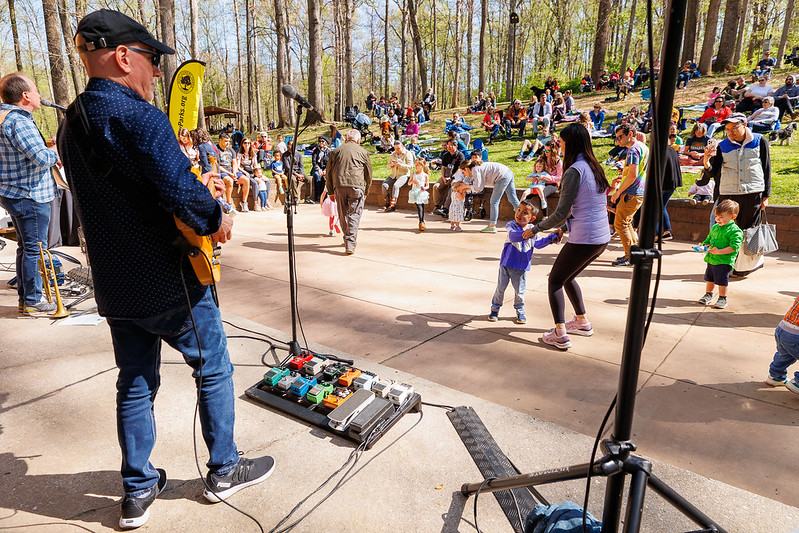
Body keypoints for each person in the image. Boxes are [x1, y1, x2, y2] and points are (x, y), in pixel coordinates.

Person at [57, 9, 274, 529]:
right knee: (214, 365)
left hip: (112, 282)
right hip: (168, 279)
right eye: (151, 61)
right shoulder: (139, 117)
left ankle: (136, 490)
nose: (156, 73)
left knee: (134, 382)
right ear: (123, 56)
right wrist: (215, 216)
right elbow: (181, 193)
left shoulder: (70, 122)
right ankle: (224, 469)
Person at [523, 123, 611, 351]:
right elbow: (584, 205)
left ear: (569, 143)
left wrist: (535, 228)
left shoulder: (574, 171)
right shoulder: (593, 166)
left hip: (586, 239)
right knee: (568, 276)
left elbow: (561, 212)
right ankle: (581, 322)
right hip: (600, 237)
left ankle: (560, 333)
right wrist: (564, 227)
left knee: (555, 280)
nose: (559, 145)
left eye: (562, 141)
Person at [0, 72, 60, 316]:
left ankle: (27, 299)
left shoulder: (4, 117)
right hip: (30, 195)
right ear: (25, 96)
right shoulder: (20, 121)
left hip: (15, 193)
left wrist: (45, 143)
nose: (39, 95)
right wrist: (57, 149)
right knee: (35, 248)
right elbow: (42, 158)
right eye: (35, 91)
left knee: (26, 247)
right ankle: (34, 300)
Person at [700, 112, 771, 275]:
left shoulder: (760, 141)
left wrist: (766, 195)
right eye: (727, 129)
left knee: (749, 232)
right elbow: (712, 172)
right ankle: (722, 265)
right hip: (729, 193)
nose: (730, 132)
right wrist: (706, 160)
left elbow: (766, 168)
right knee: (726, 230)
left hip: (753, 192)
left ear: (745, 125)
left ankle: (744, 268)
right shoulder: (722, 145)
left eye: (734, 128)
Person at [487, 200, 558, 324]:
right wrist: (531, 234)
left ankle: (520, 311)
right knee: (500, 288)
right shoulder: (511, 225)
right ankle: (495, 309)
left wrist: (551, 238)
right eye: (518, 210)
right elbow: (514, 236)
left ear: (532, 218)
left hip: (521, 267)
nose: (519, 213)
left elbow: (539, 244)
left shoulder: (533, 230)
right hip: (506, 264)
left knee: (520, 291)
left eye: (525, 212)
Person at [325, 129, 372, 255]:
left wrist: (330, 191)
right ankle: (350, 243)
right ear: (358, 140)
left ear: (346, 139)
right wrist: (366, 190)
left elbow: (328, 173)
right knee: (354, 215)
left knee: (343, 214)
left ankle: (347, 240)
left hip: (339, 186)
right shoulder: (363, 152)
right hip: (357, 187)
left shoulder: (335, 151)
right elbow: (369, 174)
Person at [611, 123, 649, 267]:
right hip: (638, 191)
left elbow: (632, 175)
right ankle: (633, 253)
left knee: (620, 224)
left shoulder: (633, 150)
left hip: (632, 192)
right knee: (626, 223)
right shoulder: (643, 147)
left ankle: (630, 257)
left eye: (621, 137)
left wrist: (618, 192)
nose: (618, 140)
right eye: (617, 137)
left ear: (630, 134)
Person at [696, 199, 743, 309]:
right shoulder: (715, 227)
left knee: (722, 280)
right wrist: (705, 245)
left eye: (721, 217)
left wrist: (719, 252)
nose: (718, 219)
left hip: (724, 261)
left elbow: (734, 247)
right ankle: (708, 294)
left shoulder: (735, 231)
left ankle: (722, 298)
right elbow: (709, 239)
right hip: (711, 258)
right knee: (710, 278)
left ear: (732, 217)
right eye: (717, 216)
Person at [470, 160, 520, 233]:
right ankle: (523, 221)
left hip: (502, 176)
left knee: (494, 201)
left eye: (463, 172)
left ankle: (492, 225)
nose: (464, 174)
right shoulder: (477, 167)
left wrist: (467, 187)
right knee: (512, 198)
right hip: (508, 172)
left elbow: (479, 188)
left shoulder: (474, 169)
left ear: (466, 169)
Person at [764, 296, 799, 395]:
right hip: (795, 336)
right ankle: (798, 383)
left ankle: (776, 376)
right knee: (790, 350)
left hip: (782, 329)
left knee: (785, 354)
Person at [658, 131, 683, 241]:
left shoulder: (660, 151)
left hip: (664, 184)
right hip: (672, 183)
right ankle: (662, 232)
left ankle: (665, 231)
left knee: (659, 207)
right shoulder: (672, 149)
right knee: (660, 207)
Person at [431, 139, 465, 216]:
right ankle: (437, 206)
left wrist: (451, 177)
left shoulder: (460, 155)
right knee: (436, 186)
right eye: (448, 145)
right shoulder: (445, 155)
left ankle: (446, 208)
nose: (449, 147)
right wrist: (443, 178)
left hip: (456, 177)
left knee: (452, 187)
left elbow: (460, 168)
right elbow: (443, 168)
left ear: (456, 146)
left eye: (451, 145)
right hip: (446, 176)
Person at [383, 140, 414, 212]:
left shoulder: (408, 153)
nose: (397, 150)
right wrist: (391, 165)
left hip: (404, 175)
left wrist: (401, 165)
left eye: (398, 148)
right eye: (395, 148)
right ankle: (387, 203)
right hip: (394, 175)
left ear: (402, 147)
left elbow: (411, 166)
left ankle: (393, 205)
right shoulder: (393, 154)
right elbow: (387, 166)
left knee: (396, 186)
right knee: (384, 185)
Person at [448, 161, 475, 231]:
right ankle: (457, 226)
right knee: (457, 217)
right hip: (457, 207)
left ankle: (452, 225)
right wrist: (463, 194)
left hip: (453, 206)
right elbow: (462, 198)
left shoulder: (454, 192)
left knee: (453, 217)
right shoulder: (457, 193)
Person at [408, 157, 430, 231]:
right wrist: (412, 182)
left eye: (418, 165)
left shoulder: (425, 175)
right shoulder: (413, 173)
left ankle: (421, 222)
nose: (416, 167)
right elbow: (409, 183)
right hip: (415, 192)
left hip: (421, 192)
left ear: (422, 166)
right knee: (419, 206)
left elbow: (427, 185)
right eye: (416, 165)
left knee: (422, 207)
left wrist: (424, 188)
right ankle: (421, 222)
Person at [310, 136, 330, 202]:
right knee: (318, 176)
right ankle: (318, 195)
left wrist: (325, 170)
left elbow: (329, 162)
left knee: (327, 177)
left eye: (322, 141)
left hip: (325, 168)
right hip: (317, 169)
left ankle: (325, 196)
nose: (321, 143)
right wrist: (318, 170)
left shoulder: (329, 151)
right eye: (319, 141)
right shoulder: (316, 151)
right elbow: (314, 162)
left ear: (326, 142)